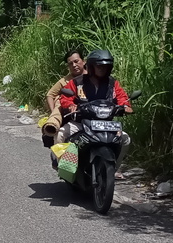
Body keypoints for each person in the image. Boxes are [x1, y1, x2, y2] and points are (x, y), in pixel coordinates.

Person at [56, 49, 132, 177]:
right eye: (99, 66)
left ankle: (112, 170)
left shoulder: (113, 84)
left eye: (105, 66)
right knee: (61, 134)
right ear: (91, 66)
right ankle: (65, 170)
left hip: (106, 124)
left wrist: (126, 106)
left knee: (125, 139)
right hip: (81, 123)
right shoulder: (77, 82)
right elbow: (65, 98)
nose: (102, 69)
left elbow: (122, 97)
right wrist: (70, 105)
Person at [42, 50, 87, 146]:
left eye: (76, 61)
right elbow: (50, 94)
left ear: (83, 61)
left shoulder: (93, 78)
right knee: (59, 99)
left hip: (92, 115)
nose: (74, 65)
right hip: (71, 113)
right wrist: (54, 111)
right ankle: (53, 122)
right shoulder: (65, 81)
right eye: (71, 63)